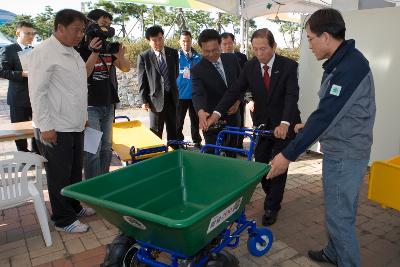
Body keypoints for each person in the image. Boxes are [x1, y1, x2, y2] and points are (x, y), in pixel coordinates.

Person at [267, 8, 376, 267]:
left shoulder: (349, 67)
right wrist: (310, 125)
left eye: (310, 39)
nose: (310, 45)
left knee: (340, 218)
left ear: (326, 36)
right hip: (339, 148)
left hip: (347, 154)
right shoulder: (341, 61)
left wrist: (287, 155)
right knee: (336, 210)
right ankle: (333, 252)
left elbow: (327, 114)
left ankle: (347, 260)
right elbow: (333, 107)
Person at [207, 28, 301, 226]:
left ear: (274, 46)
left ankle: (272, 207)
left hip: (284, 123)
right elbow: (234, 91)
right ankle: (273, 194)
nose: (259, 54)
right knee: (260, 165)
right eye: (255, 49)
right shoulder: (250, 67)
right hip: (263, 125)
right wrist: (216, 114)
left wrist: (285, 123)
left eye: (263, 49)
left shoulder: (289, 66)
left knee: (278, 165)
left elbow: (292, 96)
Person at [28, 9, 96, 233]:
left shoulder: (72, 52)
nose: (80, 35)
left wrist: (83, 118)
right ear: (60, 28)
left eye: (82, 31)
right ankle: (63, 220)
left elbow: (78, 86)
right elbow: (37, 93)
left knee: (75, 171)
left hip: (74, 124)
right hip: (55, 127)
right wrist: (46, 127)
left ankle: (74, 206)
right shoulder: (44, 52)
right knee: (59, 175)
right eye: (77, 30)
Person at [77, 9, 130, 179]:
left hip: (108, 103)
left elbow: (126, 68)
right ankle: (92, 187)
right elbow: (84, 73)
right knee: (93, 148)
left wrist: (120, 55)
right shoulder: (81, 48)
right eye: (103, 23)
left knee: (107, 146)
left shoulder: (108, 47)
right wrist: (94, 52)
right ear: (91, 24)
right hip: (90, 105)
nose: (106, 27)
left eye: (108, 24)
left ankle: (104, 180)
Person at [192, 29, 241, 155]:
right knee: (213, 154)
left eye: (215, 50)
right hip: (211, 120)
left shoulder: (232, 59)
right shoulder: (198, 69)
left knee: (231, 153)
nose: (211, 54)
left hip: (233, 116)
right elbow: (198, 92)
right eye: (206, 51)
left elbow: (241, 83)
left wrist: (238, 101)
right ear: (201, 49)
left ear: (220, 45)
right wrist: (201, 111)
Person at [0, 21, 39, 153]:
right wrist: (22, 73)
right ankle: (23, 154)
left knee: (37, 127)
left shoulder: (35, 50)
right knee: (20, 129)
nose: (31, 36)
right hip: (18, 98)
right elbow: (2, 71)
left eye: (32, 33)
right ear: (18, 33)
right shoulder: (9, 49)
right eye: (27, 33)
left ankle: (37, 152)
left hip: (36, 97)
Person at [137, 26, 179, 143]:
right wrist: (144, 100)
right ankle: (157, 156)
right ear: (148, 41)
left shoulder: (173, 53)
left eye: (160, 39)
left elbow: (175, 74)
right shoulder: (144, 57)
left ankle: (174, 155)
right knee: (155, 131)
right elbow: (142, 80)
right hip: (155, 100)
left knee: (173, 130)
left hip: (172, 98)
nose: (158, 42)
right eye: (154, 40)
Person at [220, 32, 248, 148]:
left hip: (238, 98)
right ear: (220, 45)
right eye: (224, 44)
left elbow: (245, 79)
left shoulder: (241, 57)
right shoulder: (216, 58)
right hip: (221, 99)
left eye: (230, 43)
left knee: (239, 123)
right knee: (223, 124)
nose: (227, 46)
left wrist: (239, 100)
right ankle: (223, 146)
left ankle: (238, 145)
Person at [176, 30, 202, 148]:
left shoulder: (198, 57)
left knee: (195, 120)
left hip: (195, 95)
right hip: (180, 94)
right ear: (179, 42)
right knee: (178, 121)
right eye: (183, 41)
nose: (186, 43)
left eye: (188, 41)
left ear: (191, 41)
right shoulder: (175, 57)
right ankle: (179, 141)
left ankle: (197, 140)